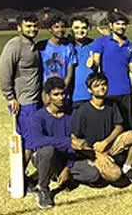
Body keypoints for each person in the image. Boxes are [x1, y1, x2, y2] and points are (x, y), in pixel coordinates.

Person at [30, 77, 100, 209]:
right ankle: (43, 188)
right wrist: (66, 142)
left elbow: (77, 141)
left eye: (63, 94)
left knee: (94, 174)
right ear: (48, 96)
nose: (61, 97)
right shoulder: (38, 117)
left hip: (67, 158)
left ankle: (60, 175)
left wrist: (68, 167)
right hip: (46, 156)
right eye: (56, 94)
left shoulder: (72, 114)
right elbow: (37, 140)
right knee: (48, 150)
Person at [0, 13, 42, 192]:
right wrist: (10, 97)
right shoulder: (14, 45)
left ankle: (21, 177)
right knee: (28, 143)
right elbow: (3, 72)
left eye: (34, 26)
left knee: (31, 141)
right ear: (19, 27)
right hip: (24, 104)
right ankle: (16, 180)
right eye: (28, 26)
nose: (32, 29)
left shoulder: (32, 46)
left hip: (34, 101)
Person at [71, 72, 132, 184]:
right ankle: (100, 167)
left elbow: (119, 126)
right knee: (115, 175)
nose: (101, 88)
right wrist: (95, 154)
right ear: (89, 90)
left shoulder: (112, 105)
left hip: (109, 145)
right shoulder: (82, 111)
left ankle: (127, 166)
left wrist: (106, 142)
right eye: (96, 86)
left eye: (104, 84)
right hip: (94, 152)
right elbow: (74, 139)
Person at [91, 11, 132, 130]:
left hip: (126, 90)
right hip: (108, 90)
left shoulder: (130, 45)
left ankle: (128, 148)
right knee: (110, 124)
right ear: (111, 25)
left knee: (127, 122)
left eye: (123, 24)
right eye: (118, 24)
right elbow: (95, 62)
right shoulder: (101, 41)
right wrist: (92, 63)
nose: (121, 27)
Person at [36, 15, 76, 88]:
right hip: (46, 89)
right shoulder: (42, 47)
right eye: (56, 27)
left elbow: (70, 71)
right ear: (50, 29)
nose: (60, 29)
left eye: (63, 26)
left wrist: (64, 87)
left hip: (62, 89)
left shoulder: (69, 47)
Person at [70, 16, 95, 109]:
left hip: (91, 96)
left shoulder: (95, 45)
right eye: (76, 28)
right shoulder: (67, 46)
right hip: (72, 97)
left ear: (89, 29)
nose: (80, 31)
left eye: (84, 28)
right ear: (71, 28)